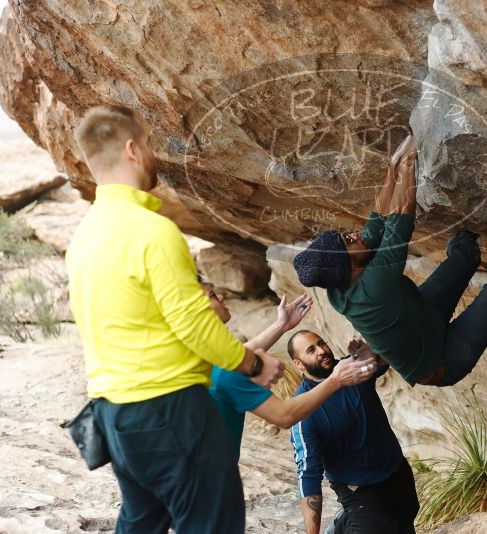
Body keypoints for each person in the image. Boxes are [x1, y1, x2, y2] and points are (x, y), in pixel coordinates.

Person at [66, 104, 284, 534]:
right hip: (170, 408)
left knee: (142, 521)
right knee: (210, 523)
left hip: (114, 414)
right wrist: (253, 364)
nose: (151, 154)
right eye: (147, 144)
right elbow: (195, 324)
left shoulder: (84, 235)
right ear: (132, 149)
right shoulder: (152, 231)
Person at [292, 135, 487, 387]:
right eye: (347, 241)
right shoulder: (374, 289)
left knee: (465, 255)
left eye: (345, 235)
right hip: (442, 362)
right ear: (348, 266)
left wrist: (393, 168)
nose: (353, 234)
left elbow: (376, 225)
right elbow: (400, 219)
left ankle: (463, 247)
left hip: (425, 312)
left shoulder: (339, 283)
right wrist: (408, 163)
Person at [202, 281, 377, 458]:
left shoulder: (203, 356)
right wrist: (336, 379)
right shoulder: (222, 370)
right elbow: (285, 415)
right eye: (212, 295)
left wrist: (282, 325)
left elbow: (243, 352)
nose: (221, 296)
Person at [288, 330, 419, 534]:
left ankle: (342, 525)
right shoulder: (304, 410)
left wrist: (370, 350)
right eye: (311, 350)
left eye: (321, 343)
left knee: (405, 522)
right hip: (359, 490)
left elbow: (391, 355)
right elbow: (308, 474)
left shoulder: (351, 368)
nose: (321, 351)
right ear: (298, 364)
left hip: (396, 471)